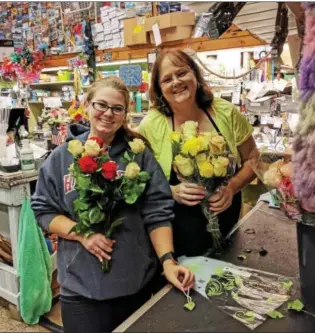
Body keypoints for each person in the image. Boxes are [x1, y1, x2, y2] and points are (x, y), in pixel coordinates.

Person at [31, 77, 194, 333]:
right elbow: (43, 210)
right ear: (86, 105)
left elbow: (158, 212)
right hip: (82, 290)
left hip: (136, 285)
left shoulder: (139, 155)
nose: (108, 113)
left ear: (125, 114)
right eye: (101, 105)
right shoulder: (61, 158)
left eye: (117, 108)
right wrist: (83, 234)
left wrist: (167, 261)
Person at [138, 50, 257, 257]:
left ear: (195, 74)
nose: (176, 82)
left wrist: (232, 187)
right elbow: (139, 178)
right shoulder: (151, 125)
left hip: (228, 224)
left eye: (182, 73)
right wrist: (170, 191)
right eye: (167, 79)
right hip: (178, 234)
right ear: (159, 89)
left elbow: (253, 159)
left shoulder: (225, 112)